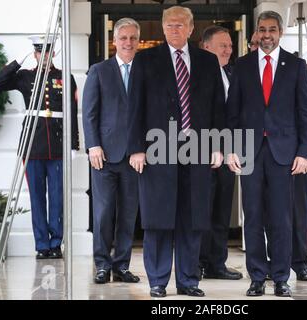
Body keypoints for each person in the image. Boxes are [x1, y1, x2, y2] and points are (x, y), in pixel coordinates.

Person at [128, 6, 225, 298]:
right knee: (158, 218)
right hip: (157, 150)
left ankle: (188, 280)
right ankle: (158, 281)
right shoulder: (145, 60)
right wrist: (136, 149)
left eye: (180, 25)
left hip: (197, 150)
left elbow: (217, 107)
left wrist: (218, 146)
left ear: (191, 29)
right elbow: (135, 109)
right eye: (169, 25)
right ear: (163, 27)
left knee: (192, 219)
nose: (174, 30)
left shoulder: (208, 62)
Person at [226, 11, 307, 297]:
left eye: (272, 30)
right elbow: (232, 113)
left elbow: (306, 114)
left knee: (281, 218)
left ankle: (280, 278)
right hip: (249, 152)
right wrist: (229, 149)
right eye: (262, 30)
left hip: (284, 154)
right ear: (256, 33)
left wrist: (305, 152)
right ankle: (257, 277)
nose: (267, 35)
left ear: (280, 33)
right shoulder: (242, 65)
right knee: (252, 216)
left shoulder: (297, 66)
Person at [0, 35, 79, 259]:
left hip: (58, 145)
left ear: (53, 53)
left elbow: (71, 112)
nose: (45, 56)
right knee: (37, 197)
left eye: (48, 51)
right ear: (35, 54)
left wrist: (74, 144)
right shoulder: (24, 77)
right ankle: (42, 245)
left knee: (57, 198)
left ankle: (56, 243)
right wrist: (18, 61)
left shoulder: (65, 77)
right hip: (33, 145)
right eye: (40, 52)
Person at [82, 18, 141, 284]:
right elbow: (89, 113)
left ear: (138, 41)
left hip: (135, 157)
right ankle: (102, 265)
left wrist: (145, 148)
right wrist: (93, 145)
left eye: (132, 38)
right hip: (104, 156)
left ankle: (122, 265)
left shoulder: (145, 70)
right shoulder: (99, 70)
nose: (128, 42)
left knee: (128, 215)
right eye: (123, 38)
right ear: (114, 41)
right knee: (104, 213)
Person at [199, 25, 243, 281]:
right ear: (206, 47)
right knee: (200, 211)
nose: (228, 50)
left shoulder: (232, 72)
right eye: (222, 45)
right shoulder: (196, 74)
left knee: (221, 210)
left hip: (228, 153)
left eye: (229, 45)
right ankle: (197, 263)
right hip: (201, 152)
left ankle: (217, 262)